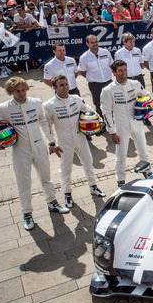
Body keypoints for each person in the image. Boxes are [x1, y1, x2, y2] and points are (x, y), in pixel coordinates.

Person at [0, 77, 69, 230]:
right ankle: (27, 213)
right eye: (17, 91)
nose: (21, 94)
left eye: (23, 90)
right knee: (24, 183)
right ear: (11, 92)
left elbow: (43, 121)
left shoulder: (35, 103)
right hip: (20, 150)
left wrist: (51, 142)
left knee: (46, 178)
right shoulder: (4, 108)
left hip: (39, 146)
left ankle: (52, 202)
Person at [42, 75, 106, 208]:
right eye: (61, 85)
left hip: (80, 138)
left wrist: (99, 121)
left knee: (88, 162)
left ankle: (93, 186)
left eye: (66, 84)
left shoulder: (76, 99)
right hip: (64, 142)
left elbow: (89, 110)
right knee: (65, 169)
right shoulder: (49, 105)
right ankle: (67, 194)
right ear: (54, 88)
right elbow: (47, 126)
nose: (65, 87)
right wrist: (51, 143)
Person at [101, 60, 151, 187]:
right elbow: (106, 113)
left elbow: (147, 96)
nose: (123, 73)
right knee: (121, 155)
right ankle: (121, 180)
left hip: (136, 123)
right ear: (113, 72)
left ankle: (147, 171)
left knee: (143, 150)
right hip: (121, 127)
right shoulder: (107, 90)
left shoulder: (134, 84)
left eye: (125, 70)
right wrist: (112, 132)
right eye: (120, 71)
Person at [78, 34, 113, 117]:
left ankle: (111, 121)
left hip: (108, 82)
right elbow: (83, 72)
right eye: (92, 42)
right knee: (98, 105)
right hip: (95, 85)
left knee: (111, 103)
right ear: (87, 44)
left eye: (96, 42)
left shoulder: (105, 52)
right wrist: (93, 77)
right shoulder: (84, 57)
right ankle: (102, 124)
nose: (95, 44)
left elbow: (111, 65)